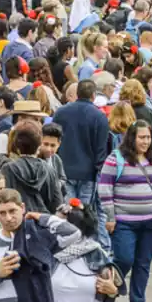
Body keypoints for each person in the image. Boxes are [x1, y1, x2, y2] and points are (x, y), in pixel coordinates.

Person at [99, 119, 152, 302]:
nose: (145, 141)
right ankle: (108, 289)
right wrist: (110, 216)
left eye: (148, 137)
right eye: (141, 137)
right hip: (124, 222)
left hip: (150, 222)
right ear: (132, 138)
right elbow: (105, 188)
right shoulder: (116, 159)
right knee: (124, 258)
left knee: (143, 263)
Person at [52, 79, 111, 249]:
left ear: (77, 93)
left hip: (65, 169)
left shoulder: (61, 112)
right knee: (85, 212)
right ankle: (87, 246)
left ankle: (69, 244)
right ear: (93, 95)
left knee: (68, 211)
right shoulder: (99, 116)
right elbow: (101, 150)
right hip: (88, 173)